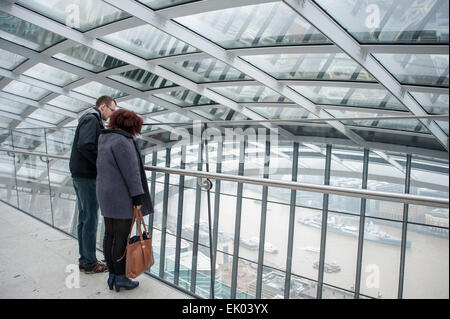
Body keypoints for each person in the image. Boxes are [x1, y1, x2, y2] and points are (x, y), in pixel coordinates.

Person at [96, 109, 154, 292]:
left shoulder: (104, 138)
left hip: (105, 193)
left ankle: (112, 275)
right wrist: (138, 197)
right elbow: (131, 172)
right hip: (120, 196)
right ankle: (120, 277)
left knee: (110, 234)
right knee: (121, 237)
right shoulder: (123, 141)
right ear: (133, 126)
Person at [69, 95, 117, 273]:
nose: (111, 115)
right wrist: (101, 163)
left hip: (80, 174)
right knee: (90, 219)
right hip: (87, 176)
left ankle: (85, 258)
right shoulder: (92, 118)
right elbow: (86, 145)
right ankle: (89, 262)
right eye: (111, 110)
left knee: (84, 218)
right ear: (103, 106)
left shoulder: (88, 117)